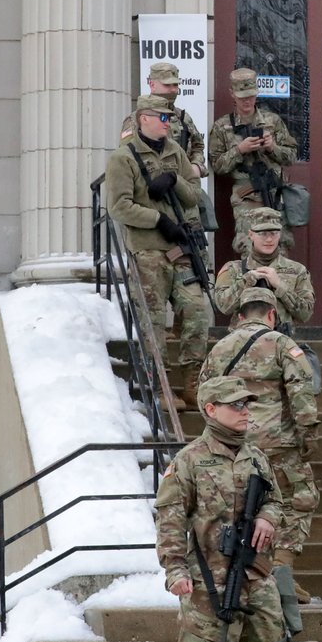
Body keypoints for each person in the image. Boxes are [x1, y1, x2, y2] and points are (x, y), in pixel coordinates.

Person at [155, 375, 315, 642]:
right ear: (210, 410)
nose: (245, 411)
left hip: (256, 576)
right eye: (235, 405)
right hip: (209, 583)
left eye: (247, 404)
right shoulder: (189, 461)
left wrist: (267, 518)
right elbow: (170, 519)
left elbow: (276, 500)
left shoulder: (256, 457)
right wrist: (175, 569)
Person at [199, 288, 320, 604]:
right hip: (277, 443)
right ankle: (280, 568)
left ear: (239, 316)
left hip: (233, 444)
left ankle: (246, 572)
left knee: (240, 507)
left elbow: (205, 395)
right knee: (299, 500)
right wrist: (308, 435)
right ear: (272, 314)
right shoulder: (283, 344)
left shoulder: (220, 348)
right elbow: (301, 393)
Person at [105, 93, 210, 409]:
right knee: (152, 319)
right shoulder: (123, 158)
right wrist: (158, 220)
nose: (168, 123)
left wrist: (175, 179)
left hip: (180, 247)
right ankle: (161, 387)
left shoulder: (176, 151)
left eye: (169, 118)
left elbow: (194, 196)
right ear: (143, 119)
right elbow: (119, 207)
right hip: (148, 249)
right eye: (162, 117)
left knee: (196, 310)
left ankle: (192, 383)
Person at [208, 67, 299, 254]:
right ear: (232, 94)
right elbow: (217, 165)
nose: (247, 101)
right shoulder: (222, 126)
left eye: (250, 96)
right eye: (242, 97)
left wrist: (272, 147)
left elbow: (291, 156)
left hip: (274, 194)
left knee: (279, 247)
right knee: (250, 248)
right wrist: (240, 150)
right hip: (246, 198)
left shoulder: (272, 121)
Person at [213, 206, 314, 330]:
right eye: (263, 234)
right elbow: (223, 307)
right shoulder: (233, 269)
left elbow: (305, 314)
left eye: (274, 233)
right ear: (251, 235)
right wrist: (246, 281)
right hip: (243, 338)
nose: (269, 239)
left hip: (281, 339)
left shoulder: (297, 270)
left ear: (280, 234)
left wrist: (280, 286)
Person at [120, 62, 207, 181]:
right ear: (152, 85)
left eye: (175, 85)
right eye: (167, 85)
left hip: (183, 183)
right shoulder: (137, 119)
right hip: (151, 184)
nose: (172, 90)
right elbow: (127, 155)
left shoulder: (183, 118)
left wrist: (196, 167)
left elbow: (198, 146)